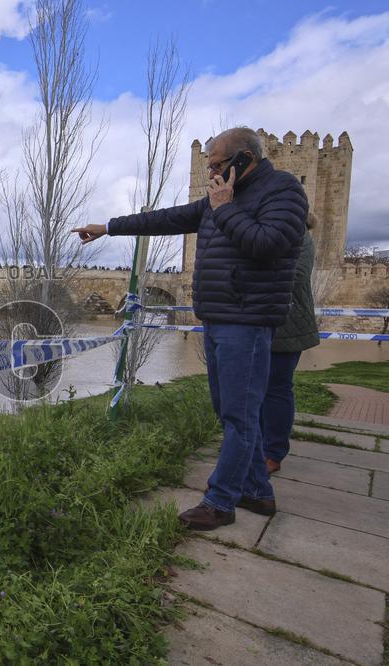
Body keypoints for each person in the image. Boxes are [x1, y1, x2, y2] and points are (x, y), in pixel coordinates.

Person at [73, 127, 308, 530]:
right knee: (229, 410)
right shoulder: (219, 196)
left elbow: (268, 244)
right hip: (218, 317)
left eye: (217, 164)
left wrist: (224, 207)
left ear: (244, 159)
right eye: (209, 166)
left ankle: (220, 501)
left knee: (239, 414)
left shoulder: (283, 191)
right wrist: (108, 227)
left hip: (247, 320)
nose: (211, 173)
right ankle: (257, 491)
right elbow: (167, 219)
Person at [262, 213, 320, 474]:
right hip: (264, 319)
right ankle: (256, 444)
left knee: (277, 387)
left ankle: (273, 452)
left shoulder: (301, 238)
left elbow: (295, 276)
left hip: (289, 321)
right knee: (257, 388)